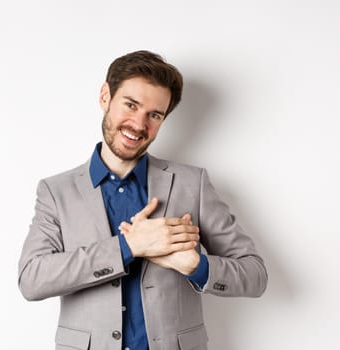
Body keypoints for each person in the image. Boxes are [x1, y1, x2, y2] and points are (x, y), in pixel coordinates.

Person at [18, 50, 268, 350]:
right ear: (105, 97)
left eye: (154, 115)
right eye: (131, 105)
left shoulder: (192, 184)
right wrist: (127, 247)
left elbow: (255, 275)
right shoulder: (56, 191)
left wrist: (196, 266)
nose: (138, 124)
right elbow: (31, 279)